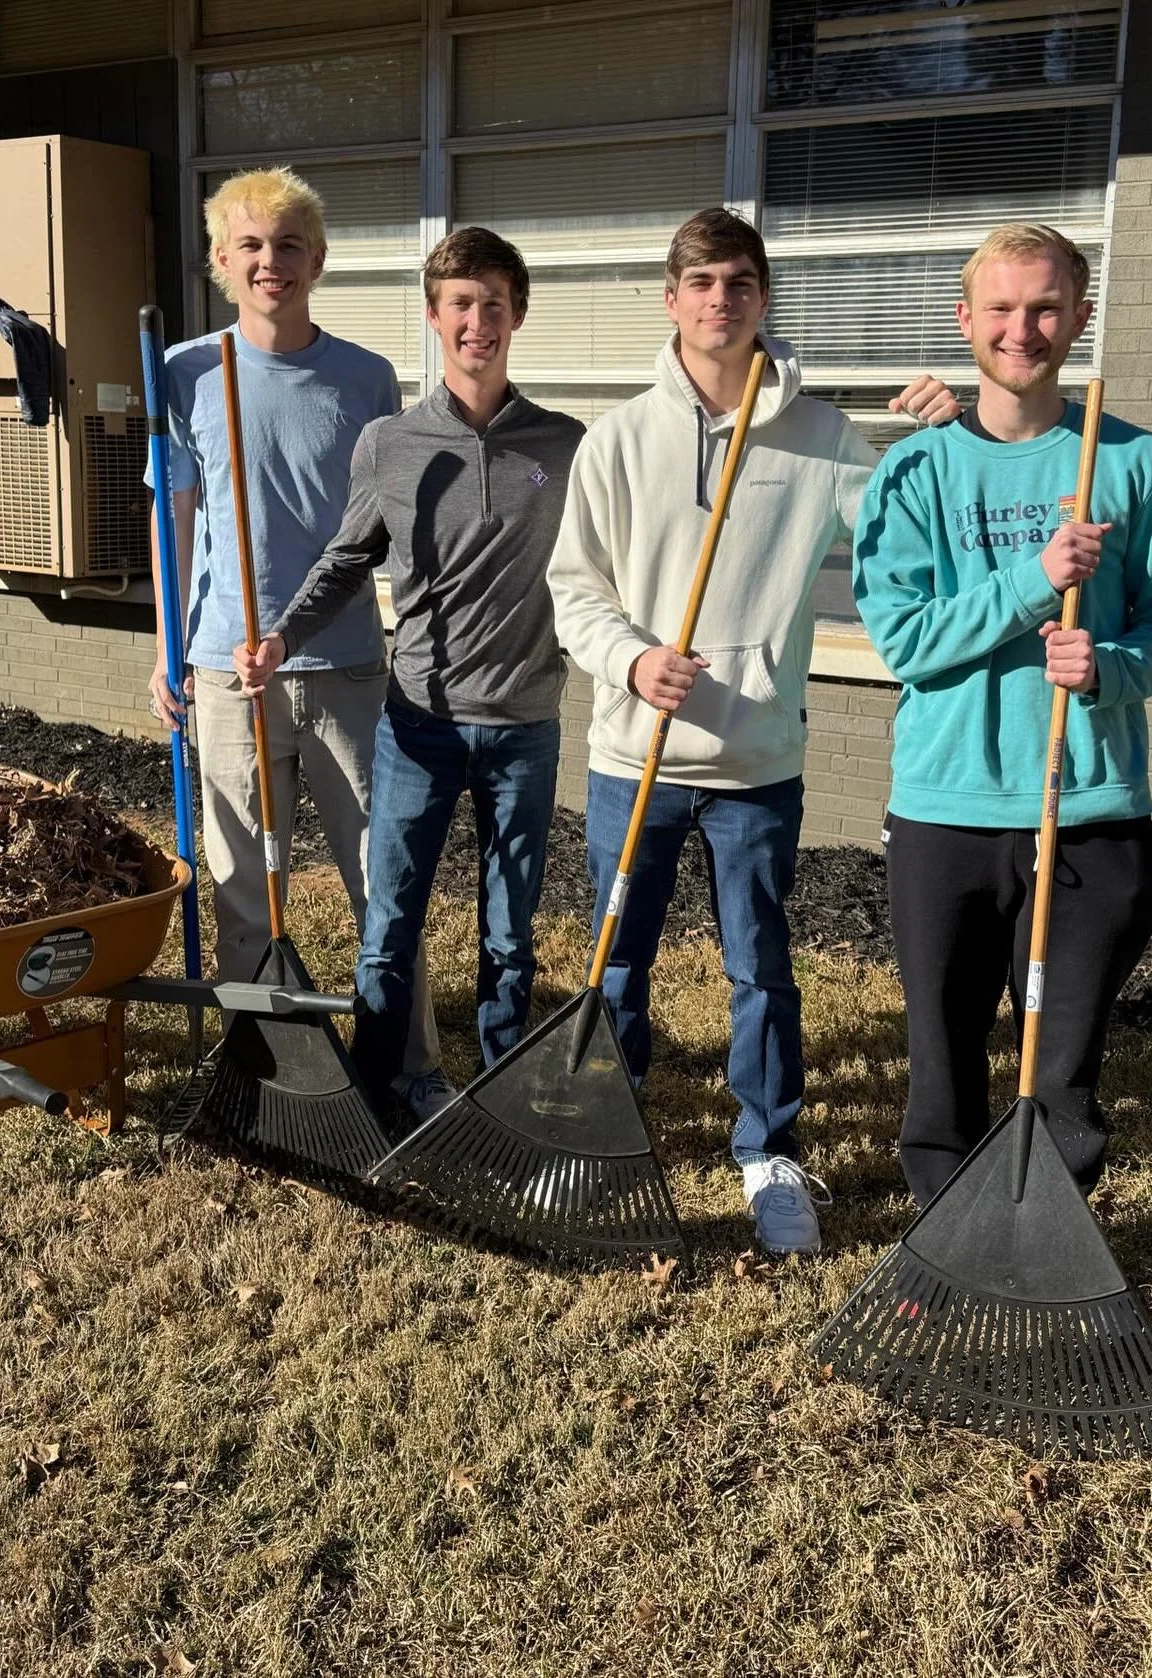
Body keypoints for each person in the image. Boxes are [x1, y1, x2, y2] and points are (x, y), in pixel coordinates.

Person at [546, 207, 958, 1256]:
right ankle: (612, 1130)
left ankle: (768, 1151)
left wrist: (951, 438)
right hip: (630, 758)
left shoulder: (821, 438)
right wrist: (634, 659)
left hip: (756, 766)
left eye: (739, 281)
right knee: (617, 964)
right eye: (701, 281)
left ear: (762, 296)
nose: (720, 299)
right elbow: (573, 586)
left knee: (760, 969)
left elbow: (915, 539)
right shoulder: (620, 437)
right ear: (671, 298)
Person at [853, 221, 1152, 1208]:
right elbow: (906, 642)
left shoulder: (1137, 465)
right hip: (947, 813)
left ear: (1081, 317)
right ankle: (945, 1242)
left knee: (1059, 1077)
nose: (1024, 329)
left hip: (1089, 812)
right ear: (966, 320)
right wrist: (1034, 579)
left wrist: (1107, 664)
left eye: (1047, 307)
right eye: (1003, 309)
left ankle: (1047, 1256)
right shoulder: (915, 473)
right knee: (943, 1065)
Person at [235, 227, 585, 1109]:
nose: (478, 322)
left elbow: (614, 558)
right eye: (460, 304)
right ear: (434, 317)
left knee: (511, 933)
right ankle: (387, 1091)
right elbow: (346, 559)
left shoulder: (564, 446)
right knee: (390, 925)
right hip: (418, 726)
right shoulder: (389, 443)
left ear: (518, 317)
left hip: (525, 726)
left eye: (494, 305)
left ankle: (503, 1093)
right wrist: (279, 635)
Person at [145, 165, 441, 1112]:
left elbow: (384, 526)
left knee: (381, 879)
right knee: (239, 884)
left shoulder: (365, 378)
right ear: (222, 260)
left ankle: (411, 1065)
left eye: (288, 244)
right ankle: (260, 1066)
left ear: (317, 259)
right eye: (251, 245)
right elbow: (176, 522)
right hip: (227, 668)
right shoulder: (189, 371)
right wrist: (167, 646)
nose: (270, 261)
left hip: (349, 663)